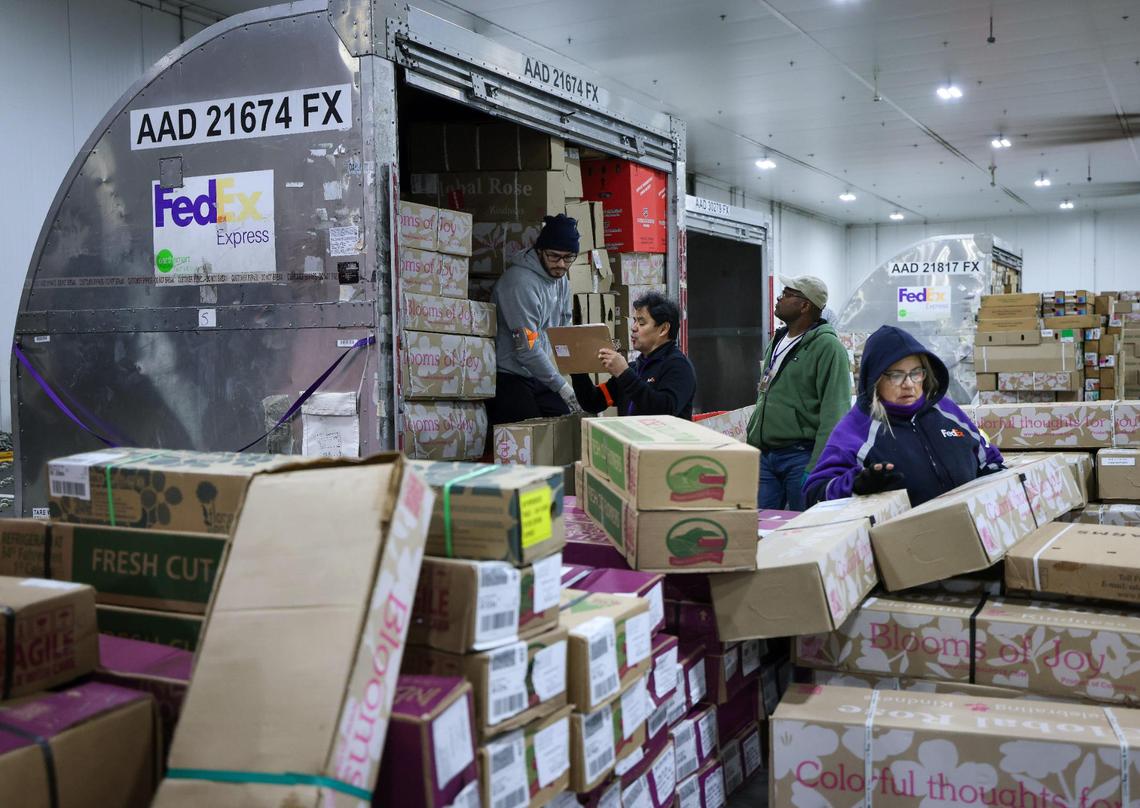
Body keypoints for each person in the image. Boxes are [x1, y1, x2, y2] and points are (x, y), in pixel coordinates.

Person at [804, 325, 1004, 508]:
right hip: (902, 543)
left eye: (916, 373)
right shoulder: (856, 428)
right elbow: (815, 493)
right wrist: (855, 484)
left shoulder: (946, 411)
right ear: (875, 379)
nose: (908, 384)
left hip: (967, 534)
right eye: (896, 375)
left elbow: (990, 460)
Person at [746, 275, 851, 511]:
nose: (779, 299)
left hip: (800, 457)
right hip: (765, 455)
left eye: (786, 294)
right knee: (762, 529)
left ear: (805, 305)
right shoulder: (778, 339)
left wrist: (817, 466)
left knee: (800, 529)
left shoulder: (828, 347)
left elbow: (835, 412)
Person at [487, 214, 581, 425]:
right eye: (554, 256)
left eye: (569, 258)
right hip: (510, 374)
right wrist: (561, 386)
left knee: (567, 423)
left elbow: (564, 326)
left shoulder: (561, 278)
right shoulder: (520, 284)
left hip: (539, 373)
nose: (561, 264)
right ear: (539, 251)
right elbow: (527, 347)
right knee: (528, 436)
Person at [572, 291, 696, 419]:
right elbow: (593, 402)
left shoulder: (678, 366)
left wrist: (624, 374)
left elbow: (665, 411)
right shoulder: (634, 368)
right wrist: (577, 368)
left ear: (663, 329)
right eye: (634, 321)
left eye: (641, 323)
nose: (633, 327)